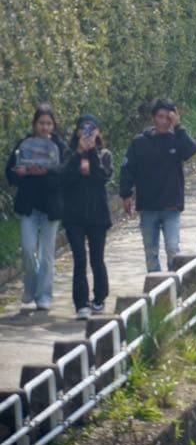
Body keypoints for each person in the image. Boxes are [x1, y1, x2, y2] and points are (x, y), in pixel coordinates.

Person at [119, 99, 196, 273]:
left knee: (172, 249)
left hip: (171, 206)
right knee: (151, 252)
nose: (163, 121)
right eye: (159, 117)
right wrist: (126, 194)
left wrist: (178, 127)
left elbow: (191, 150)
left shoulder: (176, 141)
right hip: (148, 207)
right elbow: (127, 169)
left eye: (167, 118)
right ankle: (155, 288)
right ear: (153, 118)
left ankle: (173, 284)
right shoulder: (139, 143)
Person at [4, 105, 66, 311]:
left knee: (47, 253)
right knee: (28, 248)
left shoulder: (60, 146)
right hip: (29, 206)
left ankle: (44, 295)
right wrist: (20, 173)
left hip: (51, 207)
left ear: (54, 125)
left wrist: (44, 174)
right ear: (34, 124)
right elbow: (9, 172)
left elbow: (64, 177)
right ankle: (30, 286)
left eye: (49, 123)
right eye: (41, 123)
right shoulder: (24, 144)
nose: (45, 127)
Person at [60, 114, 113, 319]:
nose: (88, 134)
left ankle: (99, 298)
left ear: (98, 132)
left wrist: (91, 154)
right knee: (79, 259)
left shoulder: (104, 154)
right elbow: (62, 178)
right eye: (83, 130)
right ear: (77, 132)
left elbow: (102, 177)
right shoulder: (69, 153)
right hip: (74, 216)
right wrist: (78, 154)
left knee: (96, 258)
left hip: (97, 216)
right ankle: (81, 303)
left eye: (92, 130)